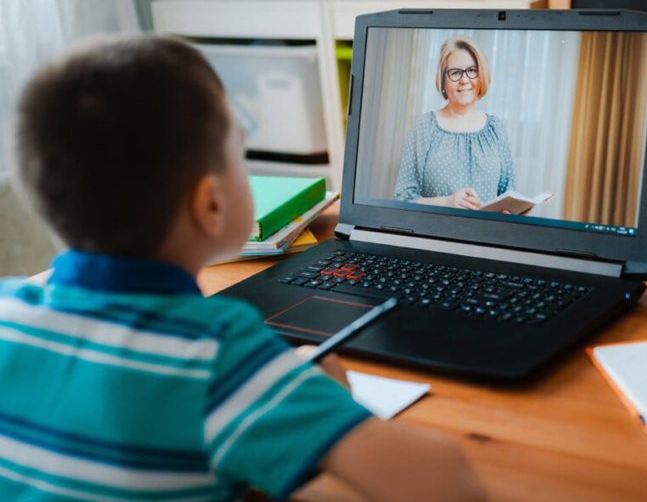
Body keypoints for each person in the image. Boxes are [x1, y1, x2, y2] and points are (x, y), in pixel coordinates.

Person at [1, 34, 486, 502]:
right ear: (210, 203)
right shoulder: (218, 358)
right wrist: (326, 401)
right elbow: (449, 486)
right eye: (240, 153)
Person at [393, 34, 515, 211]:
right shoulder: (424, 126)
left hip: (485, 236)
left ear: (481, 75)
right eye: (455, 73)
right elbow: (402, 199)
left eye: (472, 70)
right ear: (443, 80)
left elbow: (508, 194)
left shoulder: (496, 128)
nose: (464, 80)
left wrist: (513, 211)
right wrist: (448, 202)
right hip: (436, 235)